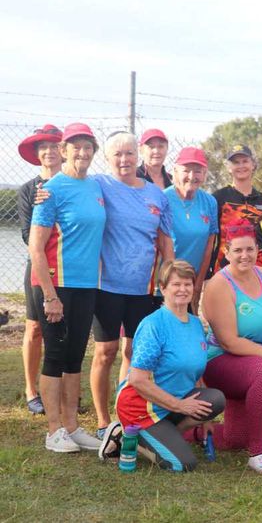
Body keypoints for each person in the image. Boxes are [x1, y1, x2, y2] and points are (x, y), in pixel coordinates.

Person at [88, 132, 174, 439]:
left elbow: (166, 243)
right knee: (105, 351)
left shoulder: (157, 195)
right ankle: (102, 422)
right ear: (108, 159)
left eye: (128, 153)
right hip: (106, 286)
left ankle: (125, 416)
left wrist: (170, 283)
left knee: (135, 353)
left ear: (137, 156)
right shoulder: (99, 184)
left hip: (143, 290)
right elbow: (70, 187)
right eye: (117, 155)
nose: (123, 160)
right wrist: (44, 191)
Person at [29, 122, 106, 453]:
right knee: (56, 355)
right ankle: (53, 430)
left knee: (75, 355)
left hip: (87, 284)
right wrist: (49, 295)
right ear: (63, 151)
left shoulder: (96, 187)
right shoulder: (51, 189)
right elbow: (35, 246)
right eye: (75, 146)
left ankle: (73, 426)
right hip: (54, 283)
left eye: (88, 146)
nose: (82, 151)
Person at [201, 220, 262, 473]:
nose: (245, 256)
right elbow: (229, 341)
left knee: (234, 440)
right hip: (221, 362)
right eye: (238, 250)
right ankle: (258, 453)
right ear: (226, 252)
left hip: (261, 361)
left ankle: (188, 430)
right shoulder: (219, 284)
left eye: (250, 249)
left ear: (257, 249)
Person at [113, 260, 225, 472]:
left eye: (187, 284)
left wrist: (205, 417)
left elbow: (195, 370)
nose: (183, 289)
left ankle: (168, 435)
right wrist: (180, 406)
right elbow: (137, 380)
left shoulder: (195, 324)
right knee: (182, 464)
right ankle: (128, 436)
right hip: (141, 407)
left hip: (174, 401)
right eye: (176, 284)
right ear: (162, 288)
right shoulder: (153, 325)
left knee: (215, 399)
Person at [17, 124, 63, 414]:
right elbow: (26, 234)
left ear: (63, 150)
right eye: (42, 147)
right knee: (34, 328)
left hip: (71, 268)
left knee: (66, 332)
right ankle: (31, 389)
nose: (48, 151)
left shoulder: (76, 185)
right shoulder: (29, 189)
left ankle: (62, 388)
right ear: (36, 153)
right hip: (38, 265)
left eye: (53, 145)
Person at [163, 147, 218, 313]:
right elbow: (159, 242)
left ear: (205, 173)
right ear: (174, 171)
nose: (192, 176)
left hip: (190, 284)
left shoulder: (209, 202)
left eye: (198, 171)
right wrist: (170, 282)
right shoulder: (163, 199)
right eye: (186, 170)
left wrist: (197, 284)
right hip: (165, 282)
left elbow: (209, 247)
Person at [212, 144, 262, 271]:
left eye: (245, 161)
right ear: (228, 167)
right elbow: (210, 239)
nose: (241, 166)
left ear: (253, 164)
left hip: (256, 268)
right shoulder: (218, 198)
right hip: (224, 269)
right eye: (236, 162)